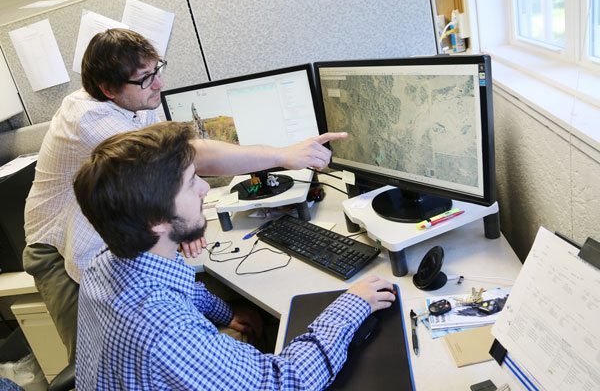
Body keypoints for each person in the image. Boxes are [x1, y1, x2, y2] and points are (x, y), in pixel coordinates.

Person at [22, 28, 346, 363]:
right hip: (62, 246)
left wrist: (179, 225)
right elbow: (183, 156)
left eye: (157, 70)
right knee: (101, 355)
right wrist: (284, 155)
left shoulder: (135, 99)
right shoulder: (88, 119)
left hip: (124, 230)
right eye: (146, 79)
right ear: (108, 89)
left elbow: (170, 155)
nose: (159, 85)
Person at [73, 121, 395, 390]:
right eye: (190, 183)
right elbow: (285, 383)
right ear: (156, 222)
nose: (204, 189)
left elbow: (185, 289)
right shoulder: (163, 334)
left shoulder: (106, 261)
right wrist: (353, 305)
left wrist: (226, 313)